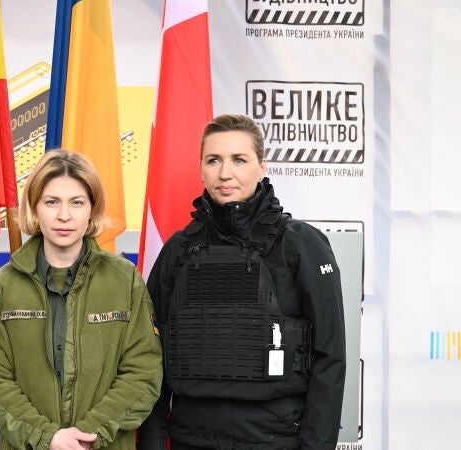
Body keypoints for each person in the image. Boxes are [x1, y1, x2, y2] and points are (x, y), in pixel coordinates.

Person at [137, 114, 346, 450]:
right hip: (191, 440)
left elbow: (329, 357)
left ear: (262, 167)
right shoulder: (177, 250)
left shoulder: (301, 245)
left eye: (239, 159)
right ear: (200, 168)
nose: (225, 173)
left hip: (275, 441)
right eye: (213, 160)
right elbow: (150, 358)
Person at [0, 150, 163, 450]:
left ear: (92, 209)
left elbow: (144, 372)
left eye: (77, 202)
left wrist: (87, 435)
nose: (64, 215)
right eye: (51, 202)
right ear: (34, 208)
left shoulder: (124, 280)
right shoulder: (3, 287)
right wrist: (47, 438)